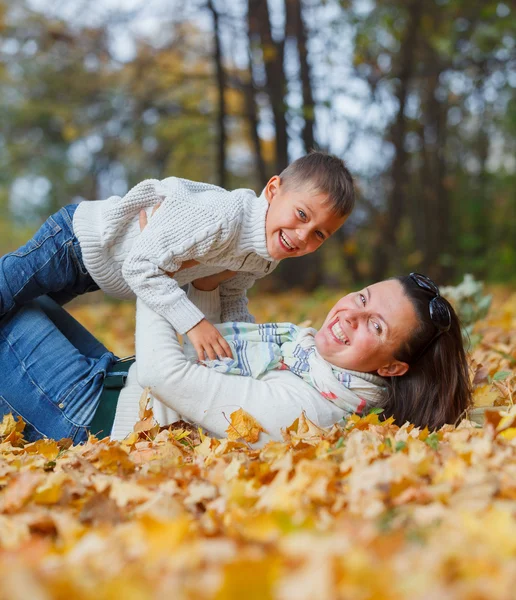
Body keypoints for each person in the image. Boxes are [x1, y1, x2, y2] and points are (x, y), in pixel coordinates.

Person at [0, 271, 471, 445]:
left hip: (89, 417)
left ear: (391, 368)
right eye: (363, 297)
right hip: (113, 378)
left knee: (9, 308)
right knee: (25, 295)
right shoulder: (312, 359)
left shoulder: (310, 409)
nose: (351, 313)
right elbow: (215, 353)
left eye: (375, 326)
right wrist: (206, 282)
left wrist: (153, 274)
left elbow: (168, 376)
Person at [0, 152, 354, 362]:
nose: (303, 235)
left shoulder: (262, 257)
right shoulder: (223, 216)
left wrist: (245, 344)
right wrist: (194, 323)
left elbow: (231, 296)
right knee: (7, 292)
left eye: (320, 234)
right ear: (273, 190)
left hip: (93, 274)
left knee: (19, 320)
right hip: (76, 241)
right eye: (302, 215)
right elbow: (140, 265)